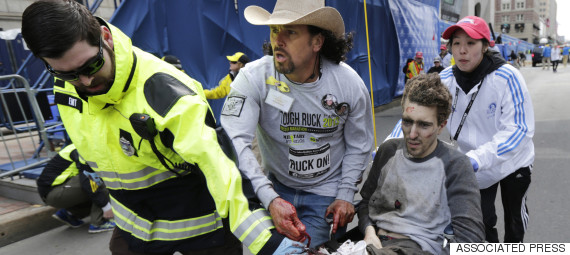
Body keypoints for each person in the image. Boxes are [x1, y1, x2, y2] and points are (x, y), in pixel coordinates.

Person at [22, 1, 304, 254]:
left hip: (200, 227)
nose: (84, 81)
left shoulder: (164, 91)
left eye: (91, 65)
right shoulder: (66, 86)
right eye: (66, 73)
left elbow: (219, 168)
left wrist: (267, 242)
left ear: (105, 37)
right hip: (134, 224)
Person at [220, 0, 374, 248]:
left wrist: (345, 196)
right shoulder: (252, 77)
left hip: (326, 196)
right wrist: (269, 198)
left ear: (317, 42)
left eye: (290, 32)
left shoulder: (349, 84)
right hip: (272, 188)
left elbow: (359, 145)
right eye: (274, 30)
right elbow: (233, 142)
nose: (278, 40)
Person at [358, 73, 484, 255]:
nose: (412, 134)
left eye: (424, 125)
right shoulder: (388, 151)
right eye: (407, 122)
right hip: (371, 243)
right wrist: (369, 233)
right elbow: (365, 204)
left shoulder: (455, 166)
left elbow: (470, 239)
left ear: (441, 126)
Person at [440, 16, 534, 243]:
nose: (462, 50)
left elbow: (519, 129)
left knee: (514, 222)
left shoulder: (507, 77)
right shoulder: (443, 80)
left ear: (485, 45)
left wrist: (477, 158)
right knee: (480, 221)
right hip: (474, 165)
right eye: (456, 43)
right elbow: (416, 112)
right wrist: (389, 146)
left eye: (470, 43)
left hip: (513, 160)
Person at [37, 143, 115, 234]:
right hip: (55, 193)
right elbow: (89, 182)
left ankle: (70, 214)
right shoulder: (83, 150)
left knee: (94, 189)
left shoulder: (81, 144)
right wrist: (106, 207)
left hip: (53, 193)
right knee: (99, 180)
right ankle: (98, 223)